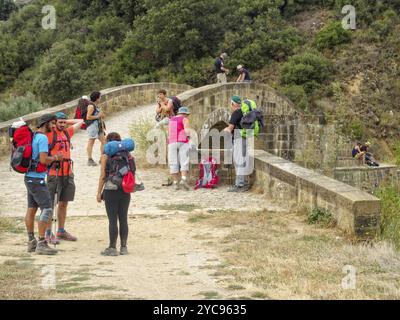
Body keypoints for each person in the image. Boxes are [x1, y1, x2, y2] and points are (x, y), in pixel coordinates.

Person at [25, 114, 63, 255]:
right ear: (46, 123)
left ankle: (31, 241)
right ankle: (42, 242)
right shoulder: (42, 138)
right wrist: (55, 158)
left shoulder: (34, 136)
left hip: (29, 177)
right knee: (47, 208)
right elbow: (43, 160)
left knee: (31, 208)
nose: (54, 126)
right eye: (52, 123)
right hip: (37, 180)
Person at [45, 112, 84, 244]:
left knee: (64, 202)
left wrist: (67, 121)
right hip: (53, 173)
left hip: (68, 172)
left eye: (64, 122)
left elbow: (81, 121)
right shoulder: (49, 134)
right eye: (59, 122)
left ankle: (61, 231)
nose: (62, 124)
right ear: (55, 122)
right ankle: (48, 233)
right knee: (50, 205)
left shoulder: (67, 132)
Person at [97, 132, 131, 256]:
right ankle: (123, 247)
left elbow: (102, 176)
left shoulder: (105, 156)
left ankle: (112, 248)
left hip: (110, 190)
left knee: (112, 220)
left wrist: (98, 193)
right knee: (123, 219)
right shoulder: (127, 155)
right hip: (125, 189)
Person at [223, 95, 254, 192]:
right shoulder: (247, 112)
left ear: (232, 104)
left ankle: (239, 185)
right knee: (244, 160)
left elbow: (230, 128)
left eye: (231, 104)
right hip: (248, 137)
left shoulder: (236, 113)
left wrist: (225, 130)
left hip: (239, 138)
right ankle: (244, 183)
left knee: (239, 160)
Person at [168, 107, 192, 190]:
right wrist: (189, 139)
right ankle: (183, 180)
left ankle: (175, 183)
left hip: (172, 142)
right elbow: (187, 131)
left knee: (173, 162)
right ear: (185, 114)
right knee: (184, 161)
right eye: (187, 114)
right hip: (182, 142)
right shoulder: (184, 119)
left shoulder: (171, 119)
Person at [86, 91, 106, 166]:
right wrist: (98, 116)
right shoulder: (91, 106)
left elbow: (99, 115)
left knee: (104, 141)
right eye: (100, 97)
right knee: (91, 141)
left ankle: (102, 158)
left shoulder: (96, 105)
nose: (100, 98)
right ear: (97, 98)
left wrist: (101, 115)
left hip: (98, 126)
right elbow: (88, 117)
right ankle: (90, 159)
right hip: (92, 126)